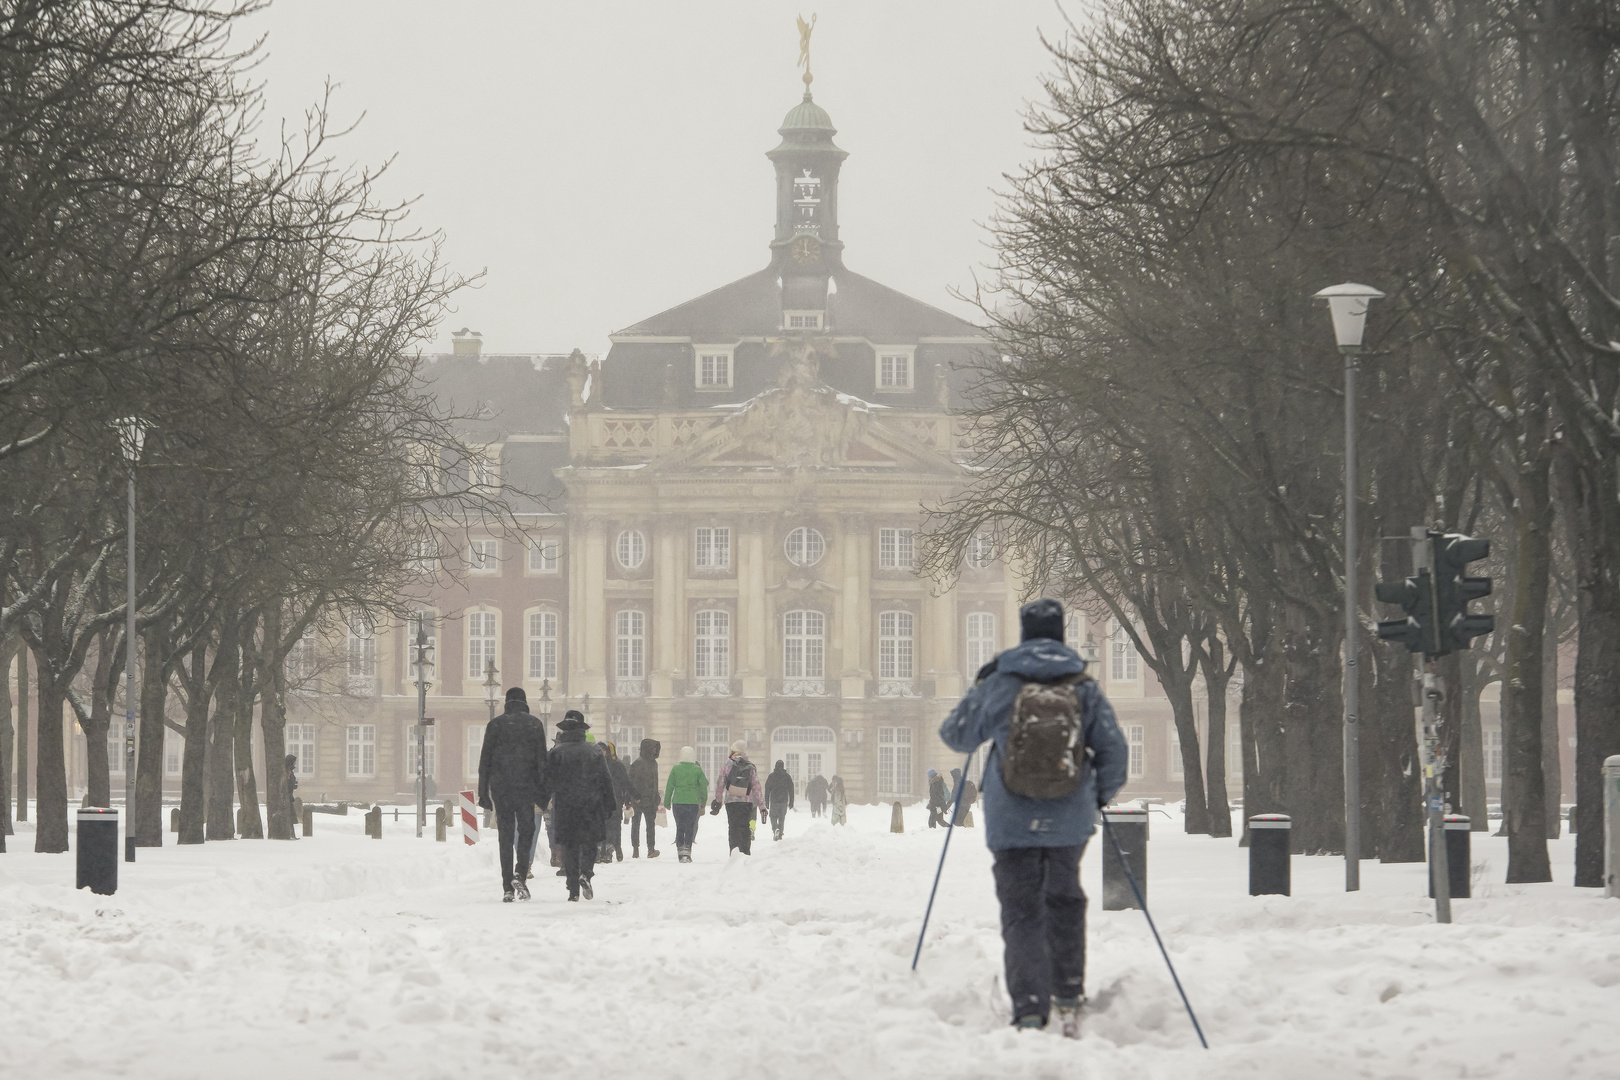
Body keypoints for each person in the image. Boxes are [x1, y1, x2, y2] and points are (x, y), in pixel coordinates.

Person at [939, 598, 1128, 1037]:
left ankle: (1027, 1005)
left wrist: (980, 686)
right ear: (1061, 635)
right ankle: (1068, 992)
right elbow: (1115, 752)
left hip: (1011, 821)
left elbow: (956, 736)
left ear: (1024, 634)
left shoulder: (1001, 682)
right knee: (1064, 899)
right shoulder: (1083, 685)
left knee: (1022, 910)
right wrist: (1092, 797)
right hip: (1069, 821)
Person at [537, 710, 618, 901]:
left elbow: (547, 781)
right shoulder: (595, 751)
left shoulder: (557, 753)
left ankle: (573, 890)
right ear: (583, 730)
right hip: (591, 804)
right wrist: (610, 804)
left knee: (570, 846)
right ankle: (586, 873)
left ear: (564, 731)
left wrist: (541, 800)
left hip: (566, 805)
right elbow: (605, 780)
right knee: (590, 843)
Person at [477, 687, 549, 902]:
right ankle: (521, 873)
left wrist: (483, 793)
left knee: (505, 837)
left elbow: (485, 762)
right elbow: (541, 763)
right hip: (526, 788)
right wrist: (543, 794)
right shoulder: (534, 724)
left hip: (501, 789)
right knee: (527, 832)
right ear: (525, 702)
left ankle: (507, 886)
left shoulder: (495, 725)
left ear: (506, 702)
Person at [709, 740, 764, 855]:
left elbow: (720, 783)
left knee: (733, 827)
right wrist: (761, 805)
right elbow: (756, 787)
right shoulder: (750, 766)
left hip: (731, 801)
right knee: (744, 827)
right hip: (746, 801)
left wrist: (718, 800)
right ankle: (745, 851)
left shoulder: (728, 764)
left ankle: (734, 851)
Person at [663, 745, 708, 862]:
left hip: (678, 802)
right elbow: (703, 786)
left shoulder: (675, 769)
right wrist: (703, 801)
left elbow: (669, 786)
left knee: (680, 826)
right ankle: (687, 850)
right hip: (692, 802)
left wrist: (667, 801)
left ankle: (679, 849)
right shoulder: (697, 770)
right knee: (690, 826)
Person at [627, 737, 662, 858]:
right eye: (653, 748)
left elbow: (654, 782)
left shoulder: (653, 763)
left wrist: (656, 796)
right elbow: (633, 782)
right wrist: (635, 797)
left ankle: (650, 849)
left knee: (649, 825)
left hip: (650, 799)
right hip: (640, 799)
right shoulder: (638, 763)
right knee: (636, 824)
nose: (654, 751)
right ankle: (636, 849)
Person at [600, 741, 633, 863]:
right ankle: (604, 851)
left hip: (615, 800)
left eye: (603, 750)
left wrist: (628, 799)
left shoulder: (617, 766)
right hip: (602, 800)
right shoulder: (596, 765)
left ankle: (614, 849)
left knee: (614, 826)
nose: (601, 752)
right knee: (603, 826)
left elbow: (625, 784)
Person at [763, 759, 795, 841]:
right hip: (783, 800)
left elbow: (767, 789)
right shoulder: (787, 776)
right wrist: (791, 801)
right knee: (782, 817)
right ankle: (780, 833)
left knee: (773, 816)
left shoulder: (771, 776)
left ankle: (775, 829)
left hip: (774, 800)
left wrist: (766, 801)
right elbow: (791, 789)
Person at [284, 754, 300, 839]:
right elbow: (287, 783)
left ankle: (292, 834)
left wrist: (294, 784)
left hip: (289, 795)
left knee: (290, 816)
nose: (295, 764)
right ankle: (290, 834)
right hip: (287, 796)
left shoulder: (289, 771)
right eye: (294, 762)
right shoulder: (287, 771)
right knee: (289, 816)